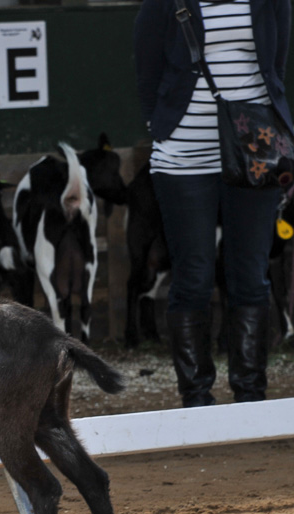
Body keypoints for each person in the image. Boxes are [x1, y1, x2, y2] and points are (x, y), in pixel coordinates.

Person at [134, 0, 291, 407]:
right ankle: (197, 400)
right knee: (193, 275)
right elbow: (146, 67)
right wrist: (162, 126)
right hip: (184, 156)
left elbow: (276, 65)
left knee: (251, 275)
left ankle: (251, 396)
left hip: (255, 151)